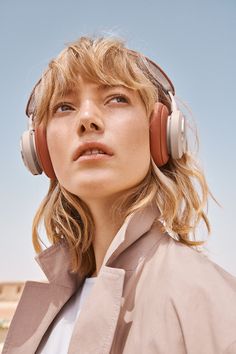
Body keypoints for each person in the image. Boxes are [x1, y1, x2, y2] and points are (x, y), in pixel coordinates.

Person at [3, 36, 236, 354]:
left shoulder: (218, 306)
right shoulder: (42, 315)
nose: (86, 119)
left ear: (161, 133)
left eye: (116, 99)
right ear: (40, 149)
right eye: (64, 107)